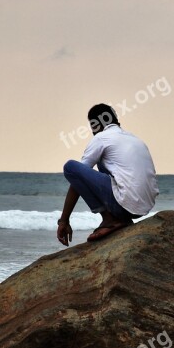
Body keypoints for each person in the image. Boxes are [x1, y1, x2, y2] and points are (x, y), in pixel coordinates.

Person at [57, 104, 159, 245]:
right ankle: (121, 219)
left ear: (95, 125)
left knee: (71, 167)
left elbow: (78, 175)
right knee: (103, 162)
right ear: (116, 120)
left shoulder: (101, 138)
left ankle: (109, 219)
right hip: (144, 207)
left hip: (124, 204)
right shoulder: (136, 139)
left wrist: (64, 220)